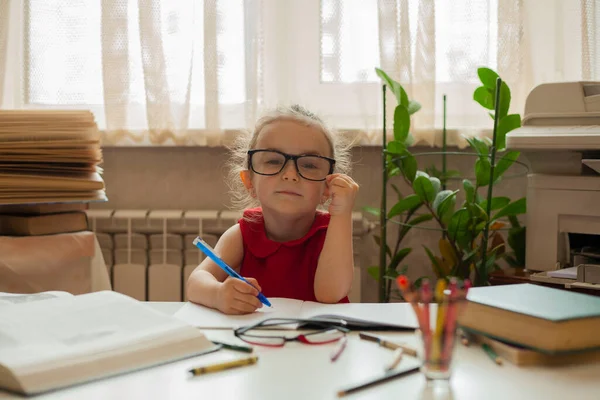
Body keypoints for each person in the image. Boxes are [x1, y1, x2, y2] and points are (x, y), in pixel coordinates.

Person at [186, 105, 359, 315]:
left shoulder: (332, 233)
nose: (290, 174)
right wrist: (218, 294)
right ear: (249, 180)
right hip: (259, 342)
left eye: (309, 165)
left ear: (327, 186)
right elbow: (195, 282)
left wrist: (342, 214)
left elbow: (329, 294)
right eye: (274, 160)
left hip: (322, 342)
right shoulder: (243, 234)